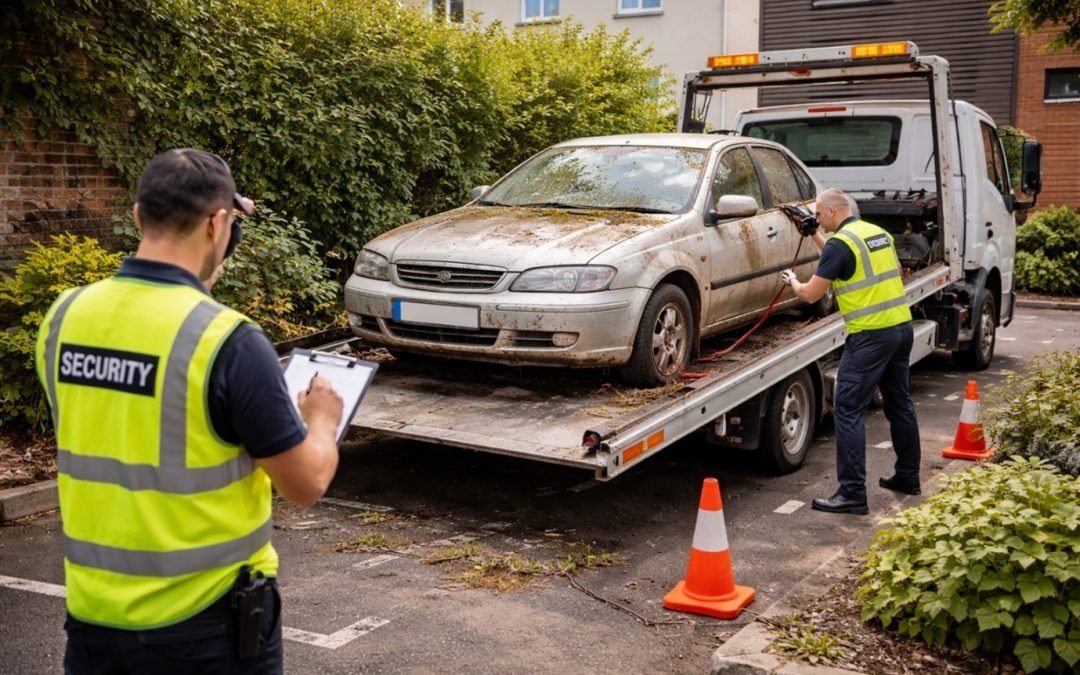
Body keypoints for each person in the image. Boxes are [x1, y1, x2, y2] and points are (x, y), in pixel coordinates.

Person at [34, 148, 345, 673]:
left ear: (138, 216)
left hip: (93, 621)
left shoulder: (64, 317)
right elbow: (306, 483)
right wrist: (323, 420)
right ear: (219, 224)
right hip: (208, 627)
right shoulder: (228, 341)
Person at [780, 188, 921, 515]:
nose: (817, 219)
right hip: (900, 328)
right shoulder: (877, 234)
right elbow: (847, 262)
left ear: (832, 211)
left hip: (870, 336)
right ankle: (908, 476)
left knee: (847, 408)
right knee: (900, 404)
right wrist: (814, 235)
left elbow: (811, 294)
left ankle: (852, 492)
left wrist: (792, 281)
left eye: (818, 213)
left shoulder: (840, 244)